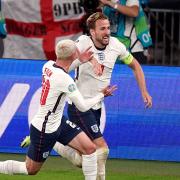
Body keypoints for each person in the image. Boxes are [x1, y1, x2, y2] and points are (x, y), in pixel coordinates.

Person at [21, 12, 152, 180]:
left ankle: (54, 143)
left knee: (82, 159)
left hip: (96, 106)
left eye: (108, 28)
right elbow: (61, 67)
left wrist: (144, 91)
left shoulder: (117, 45)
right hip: (79, 105)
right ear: (92, 32)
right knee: (102, 150)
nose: (107, 32)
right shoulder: (82, 43)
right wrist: (89, 61)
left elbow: (135, 66)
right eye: (102, 29)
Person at [0, 39, 116, 180]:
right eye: (77, 50)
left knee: (90, 149)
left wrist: (81, 60)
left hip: (58, 121)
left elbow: (65, 67)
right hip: (45, 130)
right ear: (73, 55)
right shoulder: (65, 80)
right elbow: (83, 106)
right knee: (30, 169)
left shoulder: (48, 65)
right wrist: (101, 95)